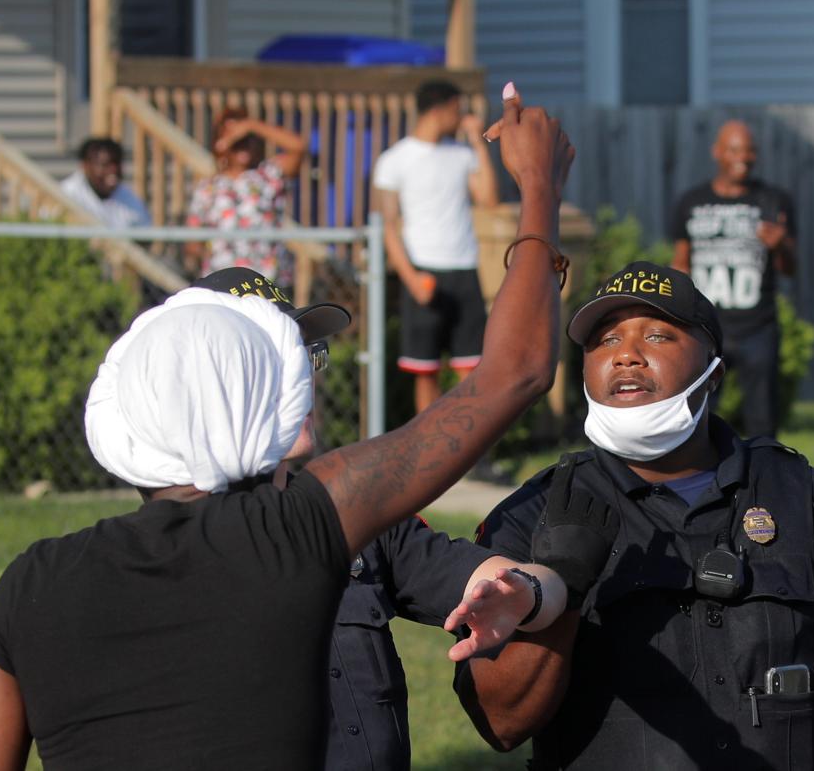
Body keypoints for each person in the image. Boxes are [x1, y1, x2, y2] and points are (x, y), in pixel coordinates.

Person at [0, 84, 578, 769]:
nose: (307, 375)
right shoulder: (303, 526)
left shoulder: (30, 583)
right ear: (249, 393)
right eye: (283, 359)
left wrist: (533, 589)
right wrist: (538, 187)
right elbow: (513, 372)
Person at [456, 261, 814, 771]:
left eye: (659, 336)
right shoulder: (533, 515)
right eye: (605, 340)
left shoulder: (813, 501)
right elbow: (501, 724)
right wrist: (564, 586)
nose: (627, 357)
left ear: (714, 373)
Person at [192, 266, 561, 771]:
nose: (299, 377)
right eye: (271, 357)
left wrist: (529, 591)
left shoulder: (357, 520)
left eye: (304, 356)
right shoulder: (158, 555)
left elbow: (490, 578)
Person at [373, 79, 498, 414]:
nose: (461, 119)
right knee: (424, 371)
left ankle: (473, 454)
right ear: (440, 110)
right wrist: (410, 278)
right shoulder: (394, 160)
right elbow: (387, 226)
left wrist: (477, 142)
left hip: (463, 267)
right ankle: (428, 453)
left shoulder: (461, 155)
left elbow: (488, 199)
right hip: (424, 270)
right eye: (458, 111)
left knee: (471, 369)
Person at [668, 120, 795, 438]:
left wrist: (781, 246)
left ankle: (766, 480)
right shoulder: (692, 202)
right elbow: (681, 262)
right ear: (718, 152)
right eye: (736, 149)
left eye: (750, 150)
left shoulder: (772, 200)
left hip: (758, 326)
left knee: (763, 419)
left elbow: (790, 268)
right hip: (708, 327)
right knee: (695, 415)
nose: (744, 157)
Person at [184, 107, 308, 285]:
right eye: (235, 141)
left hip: (268, 281)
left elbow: (298, 147)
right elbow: (193, 240)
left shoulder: (268, 176)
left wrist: (252, 125)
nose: (242, 145)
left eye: (246, 140)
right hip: (222, 283)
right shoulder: (208, 187)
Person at [60, 137, 151, 228]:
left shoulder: (128, 198)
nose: (113, 170)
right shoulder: (67, 193)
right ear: (85, 166)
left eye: (116, 163)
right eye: (104, 165)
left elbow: (145, 235)